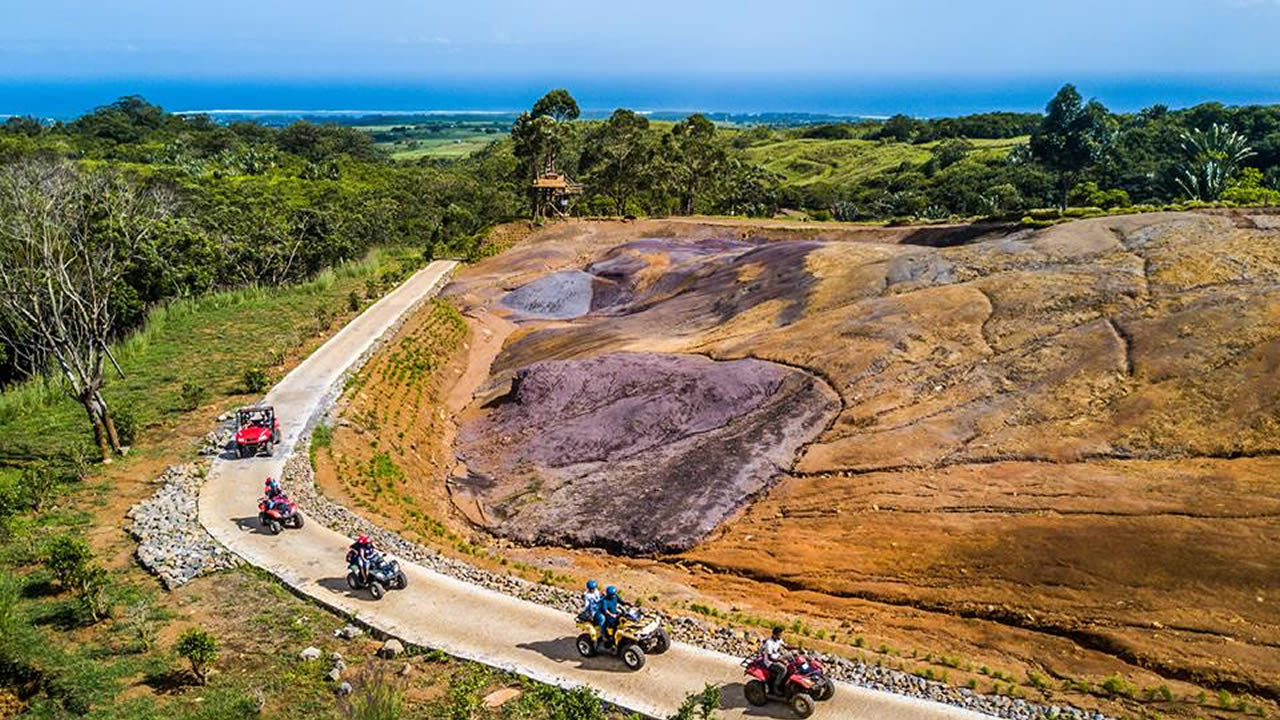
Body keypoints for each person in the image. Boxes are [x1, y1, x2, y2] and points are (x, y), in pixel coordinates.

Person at [761, 626, 790, 695]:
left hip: (778, 657)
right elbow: (770, 657)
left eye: (781, 634)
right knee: (783, 670)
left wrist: (797, 647)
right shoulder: (769, 643)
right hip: (770, 662)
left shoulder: (778, 640)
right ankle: (775, 687)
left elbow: (785, 646)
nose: (780, 636)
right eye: (779, 635)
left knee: (791, 660)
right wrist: (781, 661)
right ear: (774, 635)